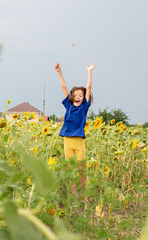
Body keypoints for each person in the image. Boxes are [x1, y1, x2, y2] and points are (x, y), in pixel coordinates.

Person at [54, 62, 96, 194]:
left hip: (79, 143)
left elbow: (88, 88)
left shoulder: (84, 108)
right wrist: (59, 71)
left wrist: (89, 72)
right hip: (67, 142)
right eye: (75, 95)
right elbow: (63, 86)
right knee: (70, 171)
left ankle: (83, 195)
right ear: (72, 97)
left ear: (84, 99)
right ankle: (74, 196)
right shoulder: (68, 106)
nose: (77, 97)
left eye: (80, 95)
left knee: (81, 169)